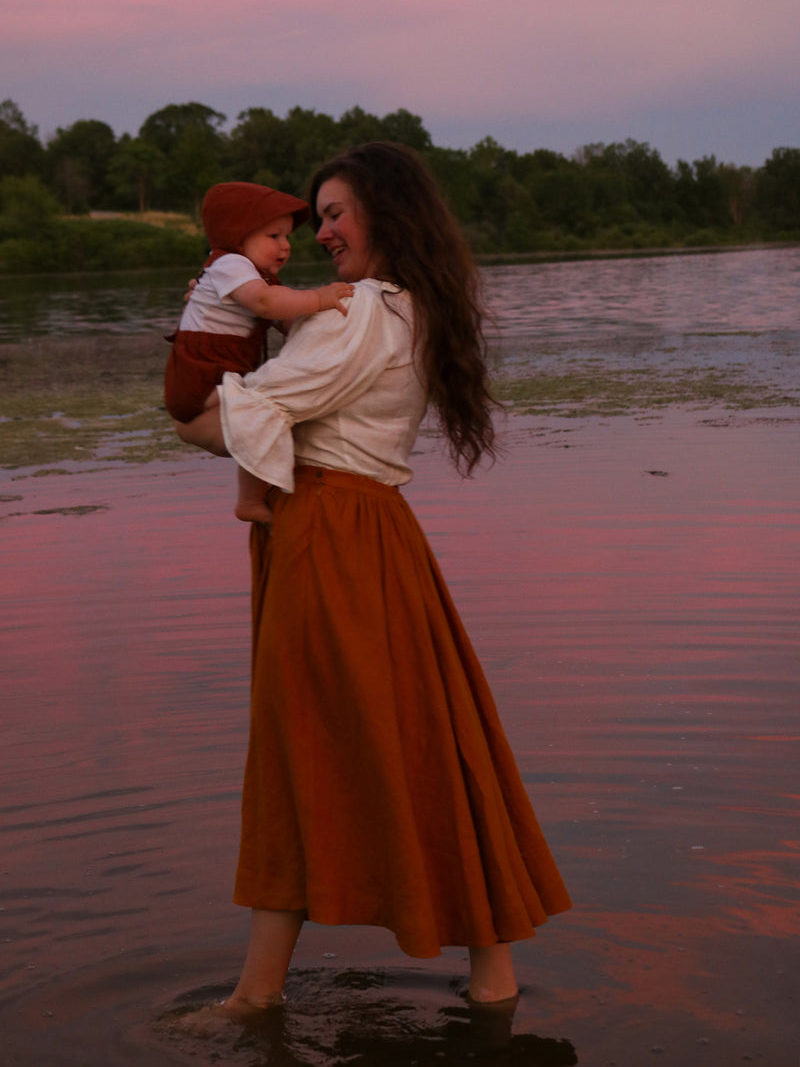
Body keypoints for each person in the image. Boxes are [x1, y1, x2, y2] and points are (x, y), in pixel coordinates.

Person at [175, 143, 572, 1017]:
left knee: (295, 748)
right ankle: (490, 980)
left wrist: (192, 407)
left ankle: (255, 997)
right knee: (434, 739)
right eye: (316, 217)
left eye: (336, 213)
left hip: (330, 534)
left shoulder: (359, 312)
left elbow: (234, 418)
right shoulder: (408, 306)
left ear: (387, 215)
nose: (321, 233)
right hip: (371, 534)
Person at [165, 181, 353, 522]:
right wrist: (320, 298)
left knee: (264, 422)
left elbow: (289, 322)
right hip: (201, 376)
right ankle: (250, 501)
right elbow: (267, 304)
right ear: (238, 236)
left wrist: (318, 324)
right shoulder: (230, 265)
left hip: (214, 376)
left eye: (287, 238)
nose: (285, 247)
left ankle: (254, 497)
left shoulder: (256, 277)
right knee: (264, 417)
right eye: (273, 237)